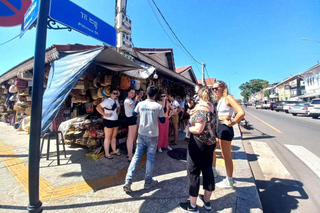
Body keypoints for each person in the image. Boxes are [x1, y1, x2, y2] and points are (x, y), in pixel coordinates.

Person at [179, 87, 217, 212]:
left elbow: (198, 129)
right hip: (210, 142)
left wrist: (188, 129)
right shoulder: (211, 106)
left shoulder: (202, 110)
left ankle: (193, 205)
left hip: (199, 143)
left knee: (193, 172)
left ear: (199, 96)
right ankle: (207, 202)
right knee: (207, 170)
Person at [123, 86, 165, 192]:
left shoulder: (141, 104)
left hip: (141, 134)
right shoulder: (158, 106)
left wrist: (137, 103)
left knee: (136, 157)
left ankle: (128, 181)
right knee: (150, 158)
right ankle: (148, 182)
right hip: (153, 135)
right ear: (155, 95)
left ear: (147, 93)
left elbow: (134, 113)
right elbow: (163, 121)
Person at [212, 81, 245, 189]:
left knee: (226, 155)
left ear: (222, 87)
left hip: (225, 128)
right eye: (213, 89)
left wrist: (232, 122)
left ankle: (229, 180)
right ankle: (213, 170)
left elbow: (241, 112)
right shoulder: (219, 100)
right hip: (218, 127)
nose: (214, 91)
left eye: (216, 88)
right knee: (212, 149)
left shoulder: (228, 98)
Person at [96, 88, 121, 159]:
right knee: (108, 137)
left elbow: (119, 107)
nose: (115, 95)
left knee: (114, 136)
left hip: (115, 120)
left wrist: (118, 113)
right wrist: (104, 114)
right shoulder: (107, 101)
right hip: (108, 120)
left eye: (116, 93)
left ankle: (114, 150)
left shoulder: (116, 101)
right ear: (110, 94)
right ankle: (106, 153)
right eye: (114, 93)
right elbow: (98, 107)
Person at [124, 88, 138, 162]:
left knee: (130, 137)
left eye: (134, 93)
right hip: (131, 119)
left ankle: (130, 153)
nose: (133, 94)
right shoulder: (128, 100)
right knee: (131, 138)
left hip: (132, 119)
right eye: (131, 92)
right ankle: (130, 155)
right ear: (128, 92)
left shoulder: (130, 100)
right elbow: (135, 107)